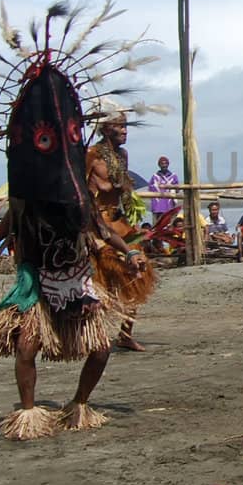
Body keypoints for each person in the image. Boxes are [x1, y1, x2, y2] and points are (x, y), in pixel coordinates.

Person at [0, 0, 157, 441]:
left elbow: (98, 228)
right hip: (40, 283)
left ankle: (79, 404)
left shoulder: (77, 197)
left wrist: (129, 252)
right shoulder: (23, 205)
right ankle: (29, 412)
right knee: (27, 345)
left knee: (101, 345)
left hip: (78, 279)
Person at [87, 106, 158, 352]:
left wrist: (133, 221)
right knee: (100, 283)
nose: (125, 131)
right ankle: (92, 335)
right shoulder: (91, 155)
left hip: (121, 222)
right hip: (98, 225)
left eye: (126, 126)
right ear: (106, 128)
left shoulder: (122, 156)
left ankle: (126, 334)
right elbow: (83, 196)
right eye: (120, 126)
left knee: (138, 271)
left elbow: (124, 192)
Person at [146, 155, 181, 252]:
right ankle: (158, 248)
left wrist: (170, 188)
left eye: (165, 163)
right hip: (157, 206)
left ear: (168, 164)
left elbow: (177, 189)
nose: (164, 165)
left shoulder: (173, 176)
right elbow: (151, 188)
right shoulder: (155, 176)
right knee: (157, 229)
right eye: (162, 163)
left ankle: (172, 248)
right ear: (159, 165)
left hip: (169, 206)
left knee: (170, 228)